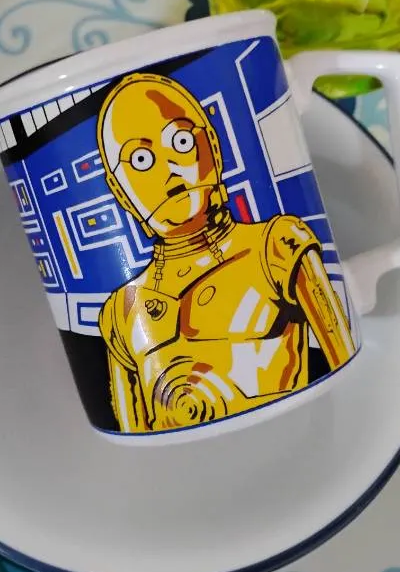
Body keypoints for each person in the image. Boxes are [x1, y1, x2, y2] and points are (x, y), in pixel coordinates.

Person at [97, 72, 355, 433]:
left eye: (181, 141)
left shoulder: (277, 247)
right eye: (140, 160)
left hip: (297, 435)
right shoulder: (120, 311)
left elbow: (346, 363)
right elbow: (130, 432)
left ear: (213, 150)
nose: (169, 170)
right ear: (120, 191)